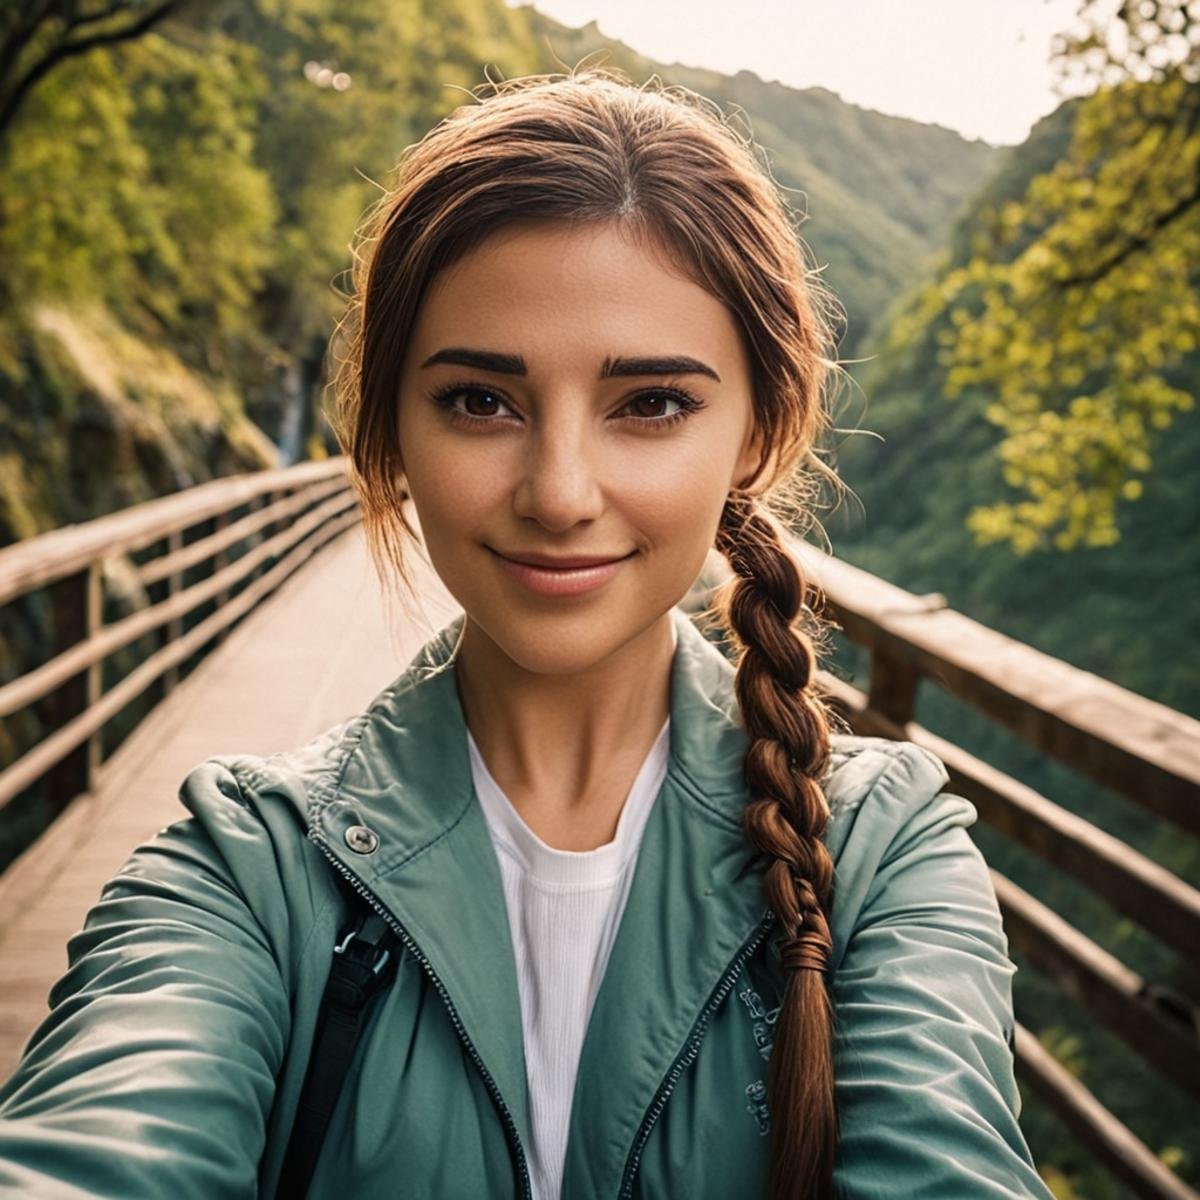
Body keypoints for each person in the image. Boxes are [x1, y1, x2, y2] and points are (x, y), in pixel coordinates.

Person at [0, 65, 1054, 1200]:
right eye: (479, 401)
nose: (558, 493)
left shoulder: (885, 852)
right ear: (392, 429)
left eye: (651, 404)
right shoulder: (254, 867)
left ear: (757, 432)